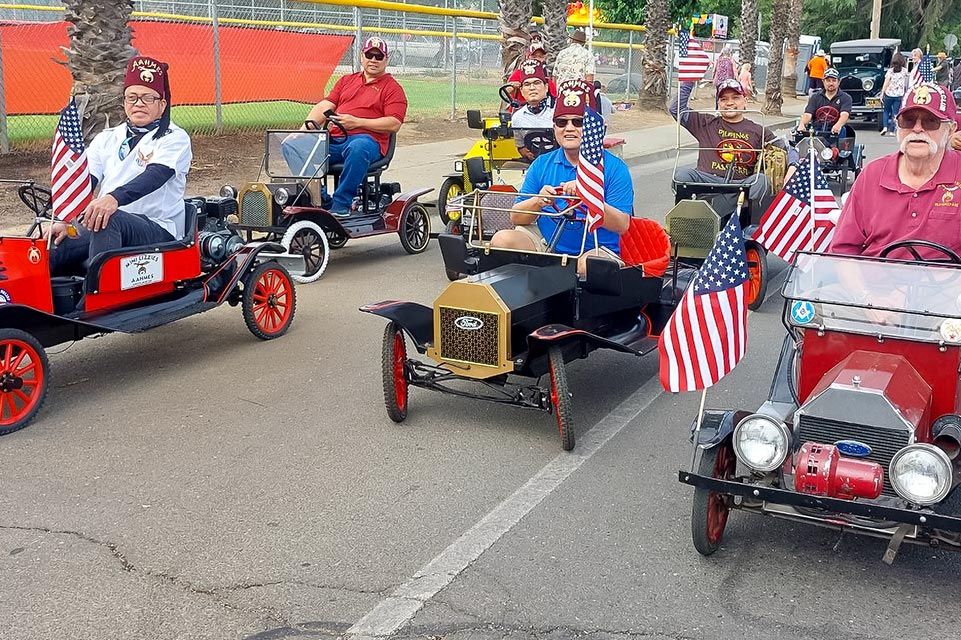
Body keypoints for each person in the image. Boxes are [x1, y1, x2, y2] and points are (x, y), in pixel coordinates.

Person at [47, 55, 192, 275]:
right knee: (53, 244)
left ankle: (94, 302)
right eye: (132, 97)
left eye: (147, 98)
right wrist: (64, 219)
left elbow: (155, 176)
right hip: (107, 223)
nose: (138, 103)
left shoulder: (174, 138)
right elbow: (86, 181)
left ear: (162, 105)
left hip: (158, 227)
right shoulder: (107, 137)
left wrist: (113, 199)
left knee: (108, 218)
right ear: (124, 102)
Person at [491, 80, 632, 275]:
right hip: (547, 242)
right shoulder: (541, 164)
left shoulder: (615, 169)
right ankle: (518, 300)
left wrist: (588, 196)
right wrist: (539, 201)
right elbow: (516, 217)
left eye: (578, 122)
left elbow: (622, 225)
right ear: (554, 127)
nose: (569, 128)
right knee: (502, 240)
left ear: (593, 127)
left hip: (597, 248)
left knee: (587, 264)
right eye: (561, 122)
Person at [830, 82, 961, 258]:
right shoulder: (872, 175)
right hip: (875, 283)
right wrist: (862, 286)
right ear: (897, 125)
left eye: (931, 122)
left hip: (948, 284)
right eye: (908, 120)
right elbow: (843, 251)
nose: (917, 129)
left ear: (951, 129)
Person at [300, 37, 407, 216]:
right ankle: (321, 199)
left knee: (358, 147)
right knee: (295, 146)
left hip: (368, 142)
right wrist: (301, 133)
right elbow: (324, 106)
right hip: (336, 139)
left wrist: (357, 122)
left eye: (378, 56)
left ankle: (341, 204)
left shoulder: (392, 88)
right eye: (369, 55)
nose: (373, 60)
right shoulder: (346, 81)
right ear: (361, 56)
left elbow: (394, 123)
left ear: (386, 60)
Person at [670, 78, 797, 205]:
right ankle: (686, 219)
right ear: (718, 103)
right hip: (707, 180)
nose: (729, 103)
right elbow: (676, 110)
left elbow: (788, 148)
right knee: (681, 176)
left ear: (745, 101)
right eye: (724, 99)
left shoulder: (758, 131)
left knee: (762, 180)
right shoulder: (706, 123)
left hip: (741, 184)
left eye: (735, 97)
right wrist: (689, 80)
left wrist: (792, 168)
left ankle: (748, 220)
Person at [509, 60, 555, 162]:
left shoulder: (559, 111)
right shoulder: (517, 117)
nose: (532, 88)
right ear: (521, 90)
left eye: (537, 83)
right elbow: (520, 146)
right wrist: (525, 152)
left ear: (546, 87)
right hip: (532, 166)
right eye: (527, 84)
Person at [796, 68, 852, 135]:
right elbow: (808, 113)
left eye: (834, 81)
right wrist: (802, 124)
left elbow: (844, 114)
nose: (831, 83)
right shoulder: (815, 97)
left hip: (836, 130)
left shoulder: (846, 98)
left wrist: (838, 125)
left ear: (838, 82)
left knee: (843, 130)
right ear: (823, 82)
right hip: (817, 129)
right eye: (828, 81)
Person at [507, 41, 557, 107]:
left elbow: (554, 95)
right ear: (528, 57)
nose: (537, 59)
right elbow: (507, 90)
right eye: (534, 56)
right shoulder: (519, 73)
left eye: (540, 56)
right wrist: (513, 86)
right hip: (520, 108)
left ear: (544, 59)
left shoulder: (545, 75)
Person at [880, 53, 910, 136]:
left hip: (889, 93)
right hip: (899, 94)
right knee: (895, 112)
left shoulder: (890, 71)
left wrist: (882, 93)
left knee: (886, 111)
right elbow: (906, 83)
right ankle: (892, 130)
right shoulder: (904, 71)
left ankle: (885, 127)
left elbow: (886, 83)